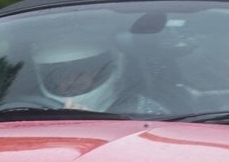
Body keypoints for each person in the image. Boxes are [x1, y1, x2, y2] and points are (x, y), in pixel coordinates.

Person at [31, 37, 163, 113]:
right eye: (61, 73)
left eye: (82, 70)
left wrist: (91, 124)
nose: (71, 79)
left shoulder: (143, 111)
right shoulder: (34, 116)